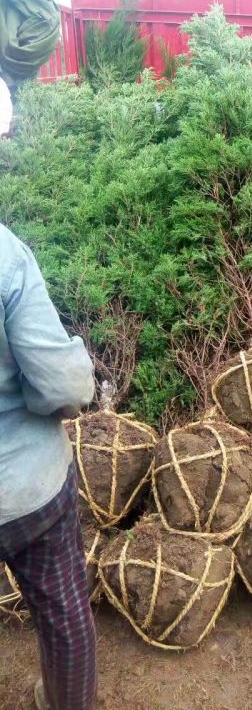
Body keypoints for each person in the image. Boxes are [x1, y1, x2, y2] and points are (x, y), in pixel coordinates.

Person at [0, 223, 96, 710]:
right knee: (64, 612)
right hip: (26, 485)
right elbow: (64, 386)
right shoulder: (4, 254)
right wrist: (36, 405)